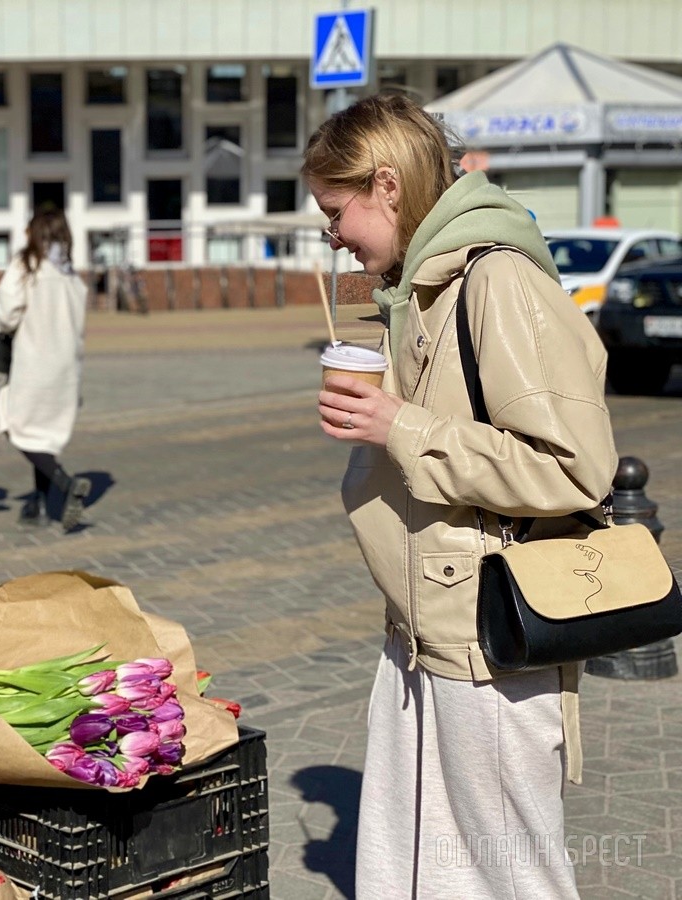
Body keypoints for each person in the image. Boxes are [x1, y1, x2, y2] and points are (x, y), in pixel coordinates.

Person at [304, 94, 617, 897]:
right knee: (430, 870)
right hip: (425, 632)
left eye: (337, 213)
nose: (332, 237)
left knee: (512, 876)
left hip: (493, 643)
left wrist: (399, 425)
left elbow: (574, 467)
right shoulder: (422, 287)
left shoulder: (496, 280)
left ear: (386, 185)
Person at [0, 209, 90, 531]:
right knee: (43, 437)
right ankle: (43, 507)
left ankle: (66, 483)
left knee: (16, 426)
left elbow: (6, 313)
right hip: (66, 368)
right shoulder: (70, 274)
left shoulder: (27, 266)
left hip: (33, 364)